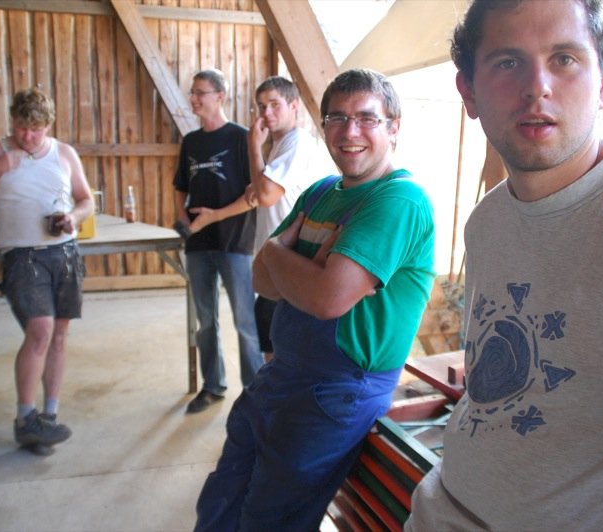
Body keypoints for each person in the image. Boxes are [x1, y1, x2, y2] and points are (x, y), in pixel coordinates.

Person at [406, 1, 603, 530]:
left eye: (564, 59)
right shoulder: (487, 220)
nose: (538, 88)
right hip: (440, 510)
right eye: (508, 62)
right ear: (468, 92)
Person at [193, 68, 436, 531]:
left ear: (394, 127)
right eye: (337, 118)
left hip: (339, 389)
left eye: (367, 118)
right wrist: (290, 264)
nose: (350, 131)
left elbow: (328, 299)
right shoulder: (323, 191)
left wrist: (278, 253)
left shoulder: (399, 201)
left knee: (270, 518)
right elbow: (262, 281)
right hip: (281, 374)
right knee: (221, 499)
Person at [0, 88, 94, 451]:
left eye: (36, 129)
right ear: (13, 121)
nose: (28, 137)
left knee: (59, 335)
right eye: (21, 127)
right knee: (40, 330)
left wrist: (73, 217)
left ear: (48, 125)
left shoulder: (64, 153)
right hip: (23, 256)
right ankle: (25, 418)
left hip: (64, 253)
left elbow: (86, 200)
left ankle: (48, 416)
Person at [173, 69, 263, 414]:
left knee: (245, 322)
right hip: (198, 245)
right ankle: (213, 386)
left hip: (235, 243)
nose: (193, 99)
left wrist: (213, 216)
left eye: (200, 92)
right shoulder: (191, 142)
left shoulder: (241, 138)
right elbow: (180, 186)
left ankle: (255, 393)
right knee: (205, 320)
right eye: (192, 92)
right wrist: (185, 222)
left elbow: (255, 195)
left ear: (220, 96)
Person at [246, 75, 331, 362]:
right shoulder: (281, 145)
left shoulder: (297, 143)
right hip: (278, 257)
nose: (266, 113)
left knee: (281, 350)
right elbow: (263, 189)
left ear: (293, 106)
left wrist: (253, 145)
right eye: (261, 106)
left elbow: (266, 195)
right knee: (272, 343)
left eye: (274, 104)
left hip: (291, 258)